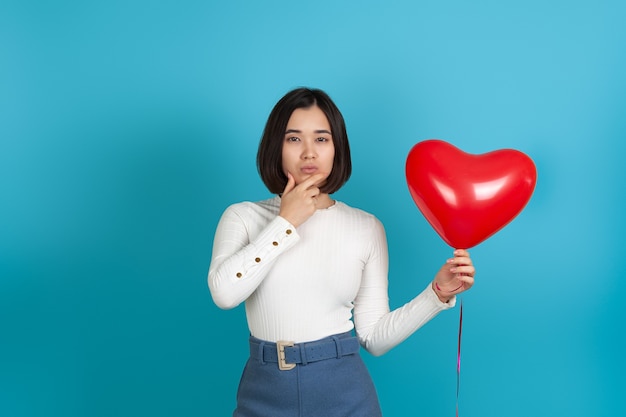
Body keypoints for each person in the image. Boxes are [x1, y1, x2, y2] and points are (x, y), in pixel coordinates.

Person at [208, 87, 475, 417]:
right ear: (275, 146)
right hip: (264, 391)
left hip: (344, 393)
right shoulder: (243, 217)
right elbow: (224, 293)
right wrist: (286, 222)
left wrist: (436, 295)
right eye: (294, 139)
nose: (309, 153)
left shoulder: (366, 227)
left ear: (337, 148)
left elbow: (374, 337)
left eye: (321, 139)